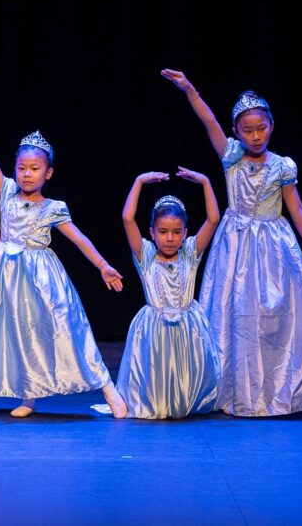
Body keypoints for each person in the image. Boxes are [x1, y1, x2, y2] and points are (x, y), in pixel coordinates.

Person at [162, 69, 302, 416]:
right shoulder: (231, 157)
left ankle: (298, 390)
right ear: (236, 132)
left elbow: (297, 208)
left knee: (283, 318)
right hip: (236, 245)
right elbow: (209, 120)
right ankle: (231, 391)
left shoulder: (283, 166)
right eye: (247, 130)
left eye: (261, 128)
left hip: (275, 246)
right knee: (236, 317)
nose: (256, 136)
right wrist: (190, 91)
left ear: (272, 126)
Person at [0, 119, 128, 419]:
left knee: (68, 331)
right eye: (22, 168)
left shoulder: (53, 206)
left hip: (43, 279)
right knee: (19, 336)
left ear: (48, 172)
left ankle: (108, 388)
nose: (27, 174)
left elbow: (78, 237)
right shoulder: (6, 192)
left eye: (35, 169)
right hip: (7, 279)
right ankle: (28, 397)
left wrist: (102, 265)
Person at [99, 169, 220, 419]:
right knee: (158, 371)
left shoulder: (190, 252)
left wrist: (206, 182)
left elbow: (214, 219)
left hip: (188, 325)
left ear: (185, 232)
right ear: (152, 232)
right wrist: (139, 181)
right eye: (163, 232)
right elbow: (127, 219)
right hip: (155, 326)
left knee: (185, 372)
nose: (170, 238)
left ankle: (186, 399)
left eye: (176, 232)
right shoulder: (146, 255)